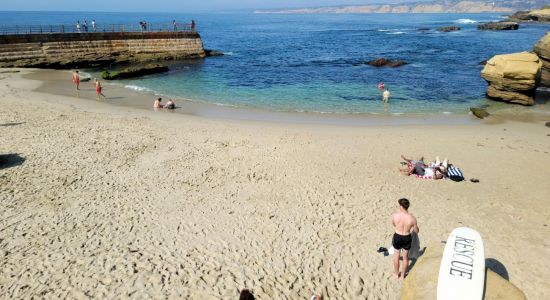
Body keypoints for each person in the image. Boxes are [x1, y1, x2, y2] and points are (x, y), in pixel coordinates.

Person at [391, 198, 419, 280]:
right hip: (407, 237)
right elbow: (416, 231)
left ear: (401, 206)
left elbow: (394, 224)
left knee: (396, 256)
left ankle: (396, 274)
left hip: (397, 236)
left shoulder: (395, 215)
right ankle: (403, 275)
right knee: (405, 257)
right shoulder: (412, 218)